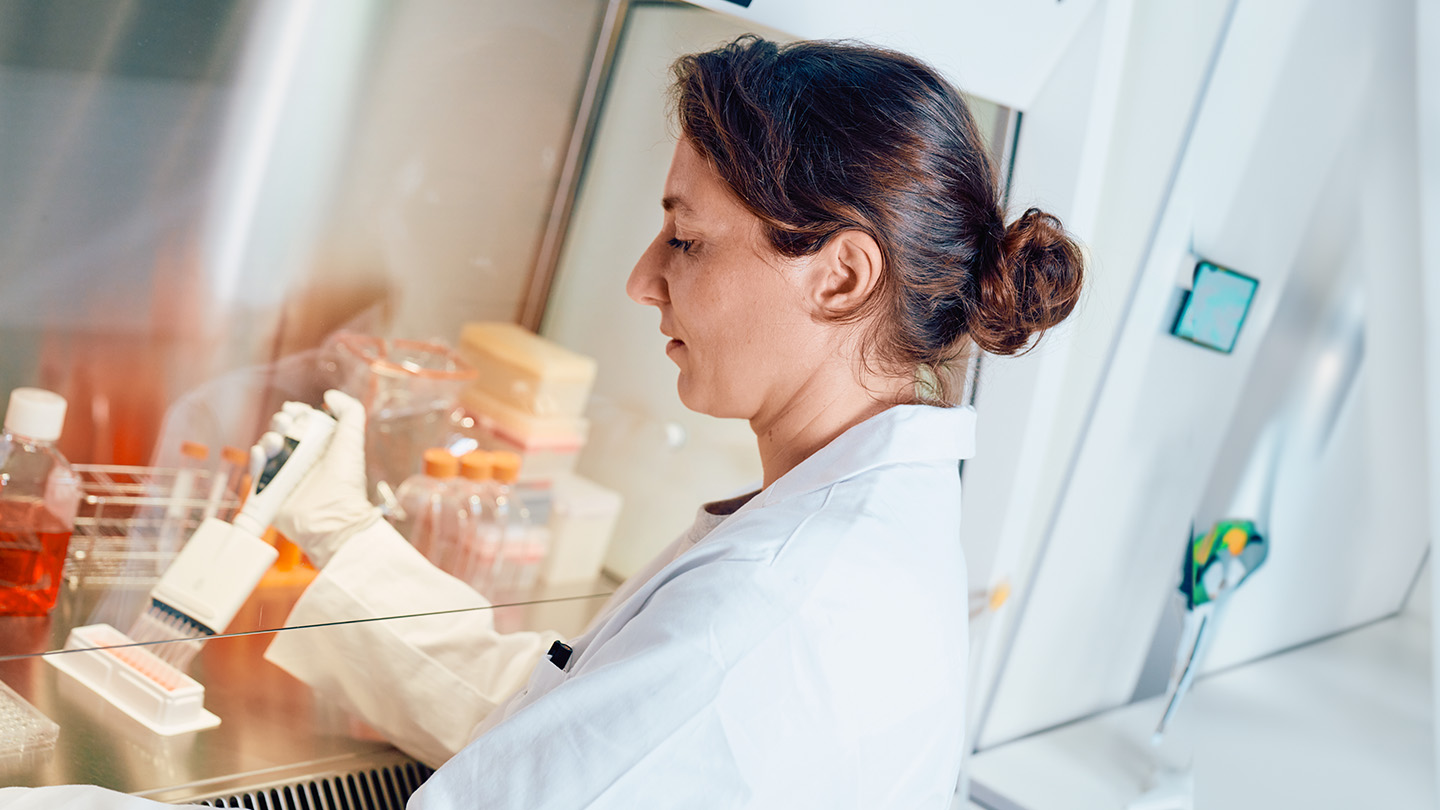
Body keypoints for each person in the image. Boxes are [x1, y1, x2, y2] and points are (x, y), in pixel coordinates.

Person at [0, 35, 1081, 809]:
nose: (641, 280)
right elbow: (561, 719)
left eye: (687, 241)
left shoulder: (772, 615)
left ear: (841, 276)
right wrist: (341, 538)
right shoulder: (857, 528)